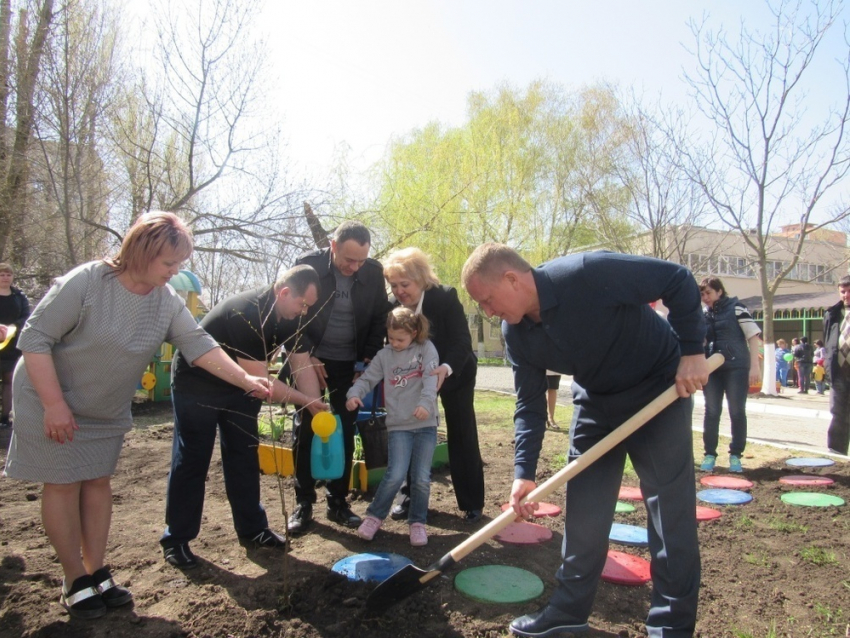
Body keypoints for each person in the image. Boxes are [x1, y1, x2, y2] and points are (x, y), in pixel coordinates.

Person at [2, 212, 270, 620]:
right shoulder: (88, 282)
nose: (175, 271)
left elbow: (198, 343)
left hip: (103, 405)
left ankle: (97, 569)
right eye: (169, 263)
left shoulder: (165, 302)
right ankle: (74, 578)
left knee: (97, 481)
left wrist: (244, 378)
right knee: (62, 483)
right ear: (141, 252)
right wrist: (54, 404)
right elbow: (34, 338)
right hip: (48, 394)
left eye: (180, 264)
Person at [461, 244, 708, 638]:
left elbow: (676, 279)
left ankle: (671, 627)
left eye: (487, 300)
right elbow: (528, 404)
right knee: (584, 515)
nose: (488, 312)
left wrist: (692, 351)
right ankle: (568, 612)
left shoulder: (588, 272)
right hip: (596, 404)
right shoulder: (516, 332)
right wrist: (523, 473)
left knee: (669, 515)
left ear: (512, 279)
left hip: (657, 392)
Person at [160, 265, 329, 569]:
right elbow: (263, 384)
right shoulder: (247, 313)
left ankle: (253, 529)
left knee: (244, 455)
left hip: (241, 389)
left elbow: (300, 363)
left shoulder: (291, 316)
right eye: (303, 304)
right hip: (198, 384)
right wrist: (304, 401)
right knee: (192, 458)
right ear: (285, 292)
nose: (304, 312)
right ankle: (177, 539)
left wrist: (316, 406)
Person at [287, 221, 391, 535]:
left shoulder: (373, 272)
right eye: (348, 259)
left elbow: (378, 318)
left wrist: (369, 357)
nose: (354, 267)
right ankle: (304, 502)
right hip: (311, 360)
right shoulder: (307, 265)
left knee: (345, 430)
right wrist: (307, 353)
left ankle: (338, 503)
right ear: (333, 246)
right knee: (308, 426)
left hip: (350, 365)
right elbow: (292, 315)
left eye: (360, 260)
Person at [382, 247, 486, 522]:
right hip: (414, 378)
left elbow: (462, 341)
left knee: (461, 431)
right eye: (394, 285)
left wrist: (446, 369)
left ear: (421, 278)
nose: (399, 291)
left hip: (455, 373)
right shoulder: (393, 306)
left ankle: (472, 502)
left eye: (405, 284)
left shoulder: (445, 297)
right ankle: (409, 498)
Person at [345, 307, 439, 546]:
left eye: (401, 339)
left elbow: (431, 378)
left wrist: (426, 403)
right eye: (391, 338)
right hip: (398, 424)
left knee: (420, 478)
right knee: (395, 473)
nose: (395, 343)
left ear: (414, 333)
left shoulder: (425, 349)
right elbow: (368, 378)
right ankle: (374, 517)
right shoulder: (385, 356)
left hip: (425, 423)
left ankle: (417, 522)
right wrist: (354, 394)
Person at [698, 277, 762, 474]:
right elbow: (701, 341)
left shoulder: (736, 308)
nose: (705, 298)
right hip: (712, 369)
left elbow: (753, 336)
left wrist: (755, 367)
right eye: (702, 295)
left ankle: (736, 455)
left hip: (736, 367)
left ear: (719, 291)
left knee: (736, 411)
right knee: (711, 411)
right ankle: (710, 454)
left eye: (708, 293)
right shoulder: (703, 314)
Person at [822, 275, 850, 455]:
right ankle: (837, 453)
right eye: (843, 291)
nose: (846, 295)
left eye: (849, 291)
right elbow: (828, 343)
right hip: (838, 373)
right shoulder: (832, 314)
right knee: (838, 413)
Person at [0, 263, 30, 428]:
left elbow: (26, 316)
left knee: (9, 380)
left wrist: (11, 328)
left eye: (8, 275)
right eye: (2, 275)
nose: (5, 278)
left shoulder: (19, 296)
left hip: (13, 344)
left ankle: (5, 418)